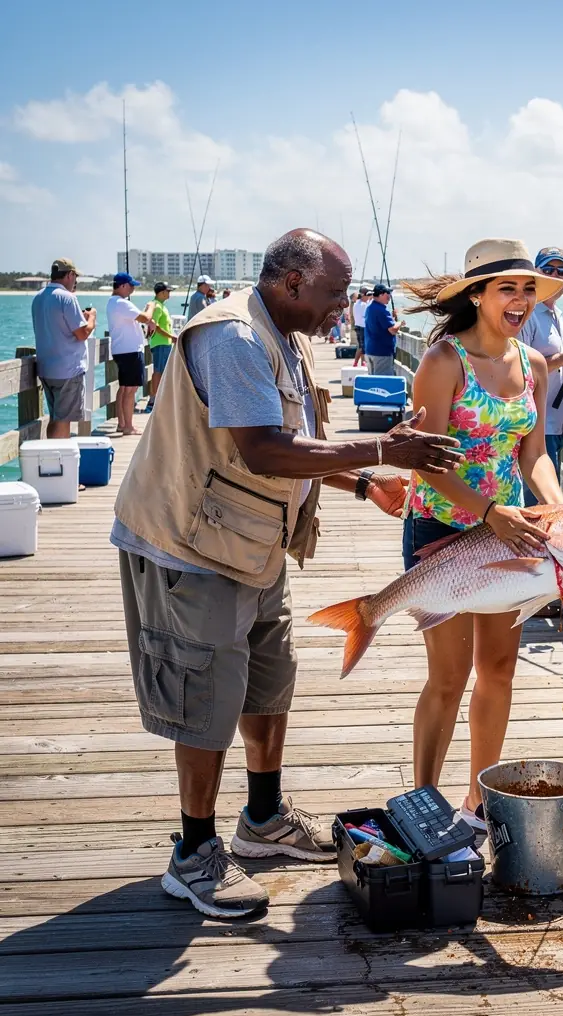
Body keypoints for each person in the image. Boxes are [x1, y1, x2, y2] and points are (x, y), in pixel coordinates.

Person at [110, 229, 463, 919]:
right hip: (191, 545)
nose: (346, 305)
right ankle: (193, 855)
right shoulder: (236, 339)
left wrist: (363, 485)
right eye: (337, 293)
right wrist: (387, 449)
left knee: (269, 681)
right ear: (293, 283)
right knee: (205, 700)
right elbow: (265, 450)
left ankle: (263, 820)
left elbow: (295, 439)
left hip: (252, 542)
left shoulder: (290, 334)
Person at [402, 237, 563, 831]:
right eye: (507, 289)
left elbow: (535, 455)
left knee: (498, 670)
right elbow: (423, 461)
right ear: (477, 295)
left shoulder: (535, 364)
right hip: (442, 526)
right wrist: (491, 510)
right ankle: (422, 801)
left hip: (511, 533)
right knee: (447, 677)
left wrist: (556, 510)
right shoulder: (444, 361)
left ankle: (477, 804)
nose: (520, 300)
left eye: (529, 290)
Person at [519, 246, 563, 502]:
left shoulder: (555, 314)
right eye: (548, 269)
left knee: (547, 499)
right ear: (535, 273)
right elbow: (520, 367)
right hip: (538, 424)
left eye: (561, 271)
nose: (555, 275)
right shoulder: (528, 315)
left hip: (558, 424)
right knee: (538, 502)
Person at [30, 257, 97, 438]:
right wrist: (91, 318)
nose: (75, 281)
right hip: (68, 370)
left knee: (55, 417)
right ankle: (60, 462)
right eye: (75, 277)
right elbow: (82, 333)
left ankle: (52, 457)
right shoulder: (67, 298)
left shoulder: (38, 297)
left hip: (46, 369)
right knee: (63, 420)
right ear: (69, 275)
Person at [106, 272, 152, 435]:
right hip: (131, 351)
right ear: (123, 286)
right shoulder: (121, 303)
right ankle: (128, 427)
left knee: (124, 388)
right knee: (131, 390)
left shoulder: (113, 302)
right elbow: (145, 317)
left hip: (121, 350)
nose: (133, 289)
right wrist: (150, 306)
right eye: (131, 286)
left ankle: (122, 423)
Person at [146, 282, 177, 409]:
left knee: (162, 371)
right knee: (158, 371)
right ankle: (154, 399)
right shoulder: (157, 306)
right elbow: (155, 326)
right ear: (161, 292)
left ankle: (159, 398)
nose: (169, 294)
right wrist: (171, 337)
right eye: (168, 291)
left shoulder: (162, 306)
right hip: (160, 343)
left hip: (165, 343)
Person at [363, 283, 405, 375]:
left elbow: (380, 325)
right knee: (382, 384)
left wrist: (391, 318)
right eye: (388, 293)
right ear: (381, 294)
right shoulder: (381, 309)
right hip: (381, 353)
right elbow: (392, 330)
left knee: (373, 384)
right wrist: (399, 323)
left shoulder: (370, 307)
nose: (390, 296)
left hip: (370, 351)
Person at [352, 286, 369, 364]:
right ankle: (357, 362)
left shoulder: (356, 303)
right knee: (363, 347)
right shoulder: (364, 305)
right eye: (367, 295)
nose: (369, 297)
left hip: (357, 326)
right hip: (363, 327)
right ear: (363, 295)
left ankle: (362, 362)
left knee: (361, 346)